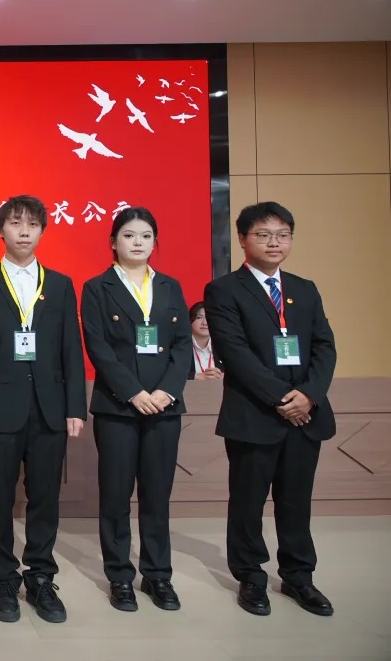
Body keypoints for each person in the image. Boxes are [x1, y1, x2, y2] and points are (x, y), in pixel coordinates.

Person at [204, 202, 336, 618]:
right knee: (248, 502)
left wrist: (308, 396)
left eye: (283, 234)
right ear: (243, 239)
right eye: (263, 235)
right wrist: (283, 399)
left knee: (296, 501)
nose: (274, 242)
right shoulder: (224, 290)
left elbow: (324, 346)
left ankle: (299, 576)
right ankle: (251, 577)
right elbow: (235, 354)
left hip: (306, 415)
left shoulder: (305, 288)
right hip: (254, 415)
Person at [0, 196, 87, 624]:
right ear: (0, 230)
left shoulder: (60, 285)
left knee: (45, 497)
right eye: (15, 223)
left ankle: (40, 577)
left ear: (42, 231)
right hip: (0, 411)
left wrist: (75, 406)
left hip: (50, 409)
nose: (24, 231)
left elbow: (71, 349)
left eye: (32, 224)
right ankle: (3, 579)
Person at [80, 207, 191, 613]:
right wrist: (133, 393)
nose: (138, 242)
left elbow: (182, 345)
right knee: (115, 496)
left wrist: (166, 391)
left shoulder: (170, 286)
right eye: (129, 235)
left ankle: (158, 575)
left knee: (157, 495)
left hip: (164, 407)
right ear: (114, 242)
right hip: (117, 408)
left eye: (146, 236)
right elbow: (98, 347)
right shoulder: (97, 287)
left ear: (155, 242)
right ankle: (120, 577)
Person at [189, 301, 222, 380]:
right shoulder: (179, 346)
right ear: (190, 320)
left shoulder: (223, 346)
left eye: (209, 317)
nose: (205, 322)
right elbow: (169, 373)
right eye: (199, 317)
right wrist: (195, 376)